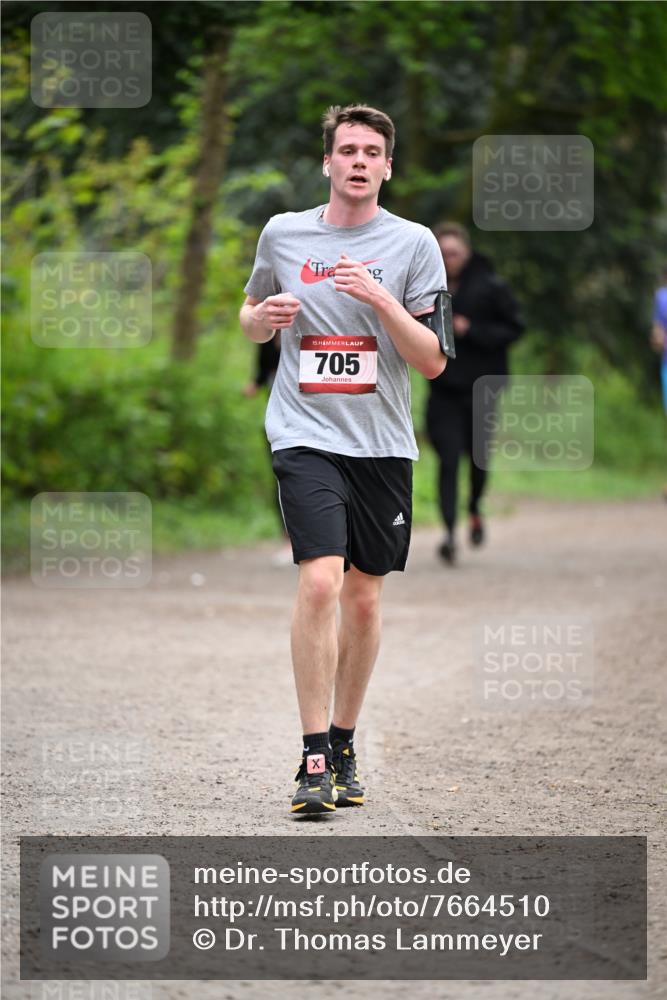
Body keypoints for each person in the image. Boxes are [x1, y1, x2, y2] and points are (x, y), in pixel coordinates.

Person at [239, 104, 447, 815]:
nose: (358, 161)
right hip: (302, 432)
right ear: (326, 162)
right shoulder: (283, 233)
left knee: (362, 594)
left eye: (371, 152)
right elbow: (249, 309)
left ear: (388, 166)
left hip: (381, 444)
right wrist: (259, 322)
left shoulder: (414, 244)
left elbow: (432, 362)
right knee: (321, 583)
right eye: (346, 149)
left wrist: (380, 300)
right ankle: (312, 756)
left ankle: (345, 737)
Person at [425, 222, 524, 565]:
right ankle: (450, 532)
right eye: (442, 253)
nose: (449, 259)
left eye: (454, 253)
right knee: (448, 459)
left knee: (479, 460)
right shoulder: (426, 286)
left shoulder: (492, 286)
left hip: (483, 387)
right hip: (443, 389)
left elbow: (515, 327)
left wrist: (472, 330)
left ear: (466, 253)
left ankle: (474, 509)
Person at [242, 338, 293, 565]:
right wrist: (254, 383)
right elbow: (262, 372)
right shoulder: (269, 330)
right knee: (284, 477)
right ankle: (289, 539)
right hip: (281, 422)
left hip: (322, 420)